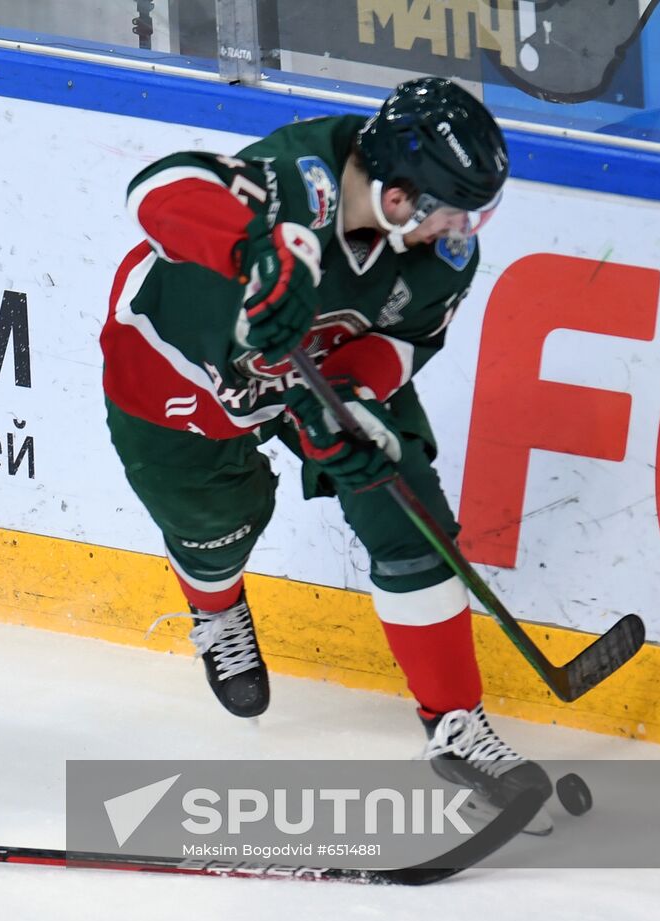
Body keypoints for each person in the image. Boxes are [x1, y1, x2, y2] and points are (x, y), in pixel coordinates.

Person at [100, 76, 551, 811]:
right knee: (213, 526)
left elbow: (406, 338)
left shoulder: (438, 260)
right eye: (454, 214)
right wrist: (252, 253)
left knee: (408, 512)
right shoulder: (295, 178)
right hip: (181, 363)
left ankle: (455, 724)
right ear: (402, 198)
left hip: (323, 369)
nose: (461, 234)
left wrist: (355, 401)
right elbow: (160, 186)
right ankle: (217, 608)